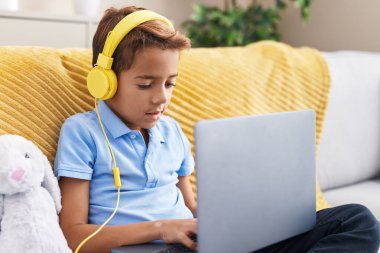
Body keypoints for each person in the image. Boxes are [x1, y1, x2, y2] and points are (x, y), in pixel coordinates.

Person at [55, 6, 380, 253]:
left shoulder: (171, 132)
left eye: (170, 83)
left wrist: (239, 221)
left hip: (199, 244)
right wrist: (162, 229)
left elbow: (191, 207)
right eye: (145, 84)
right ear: (104, 80)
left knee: (356, 220)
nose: (161, 98)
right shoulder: (83, 134)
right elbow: (73, 235)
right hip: (158, 249)